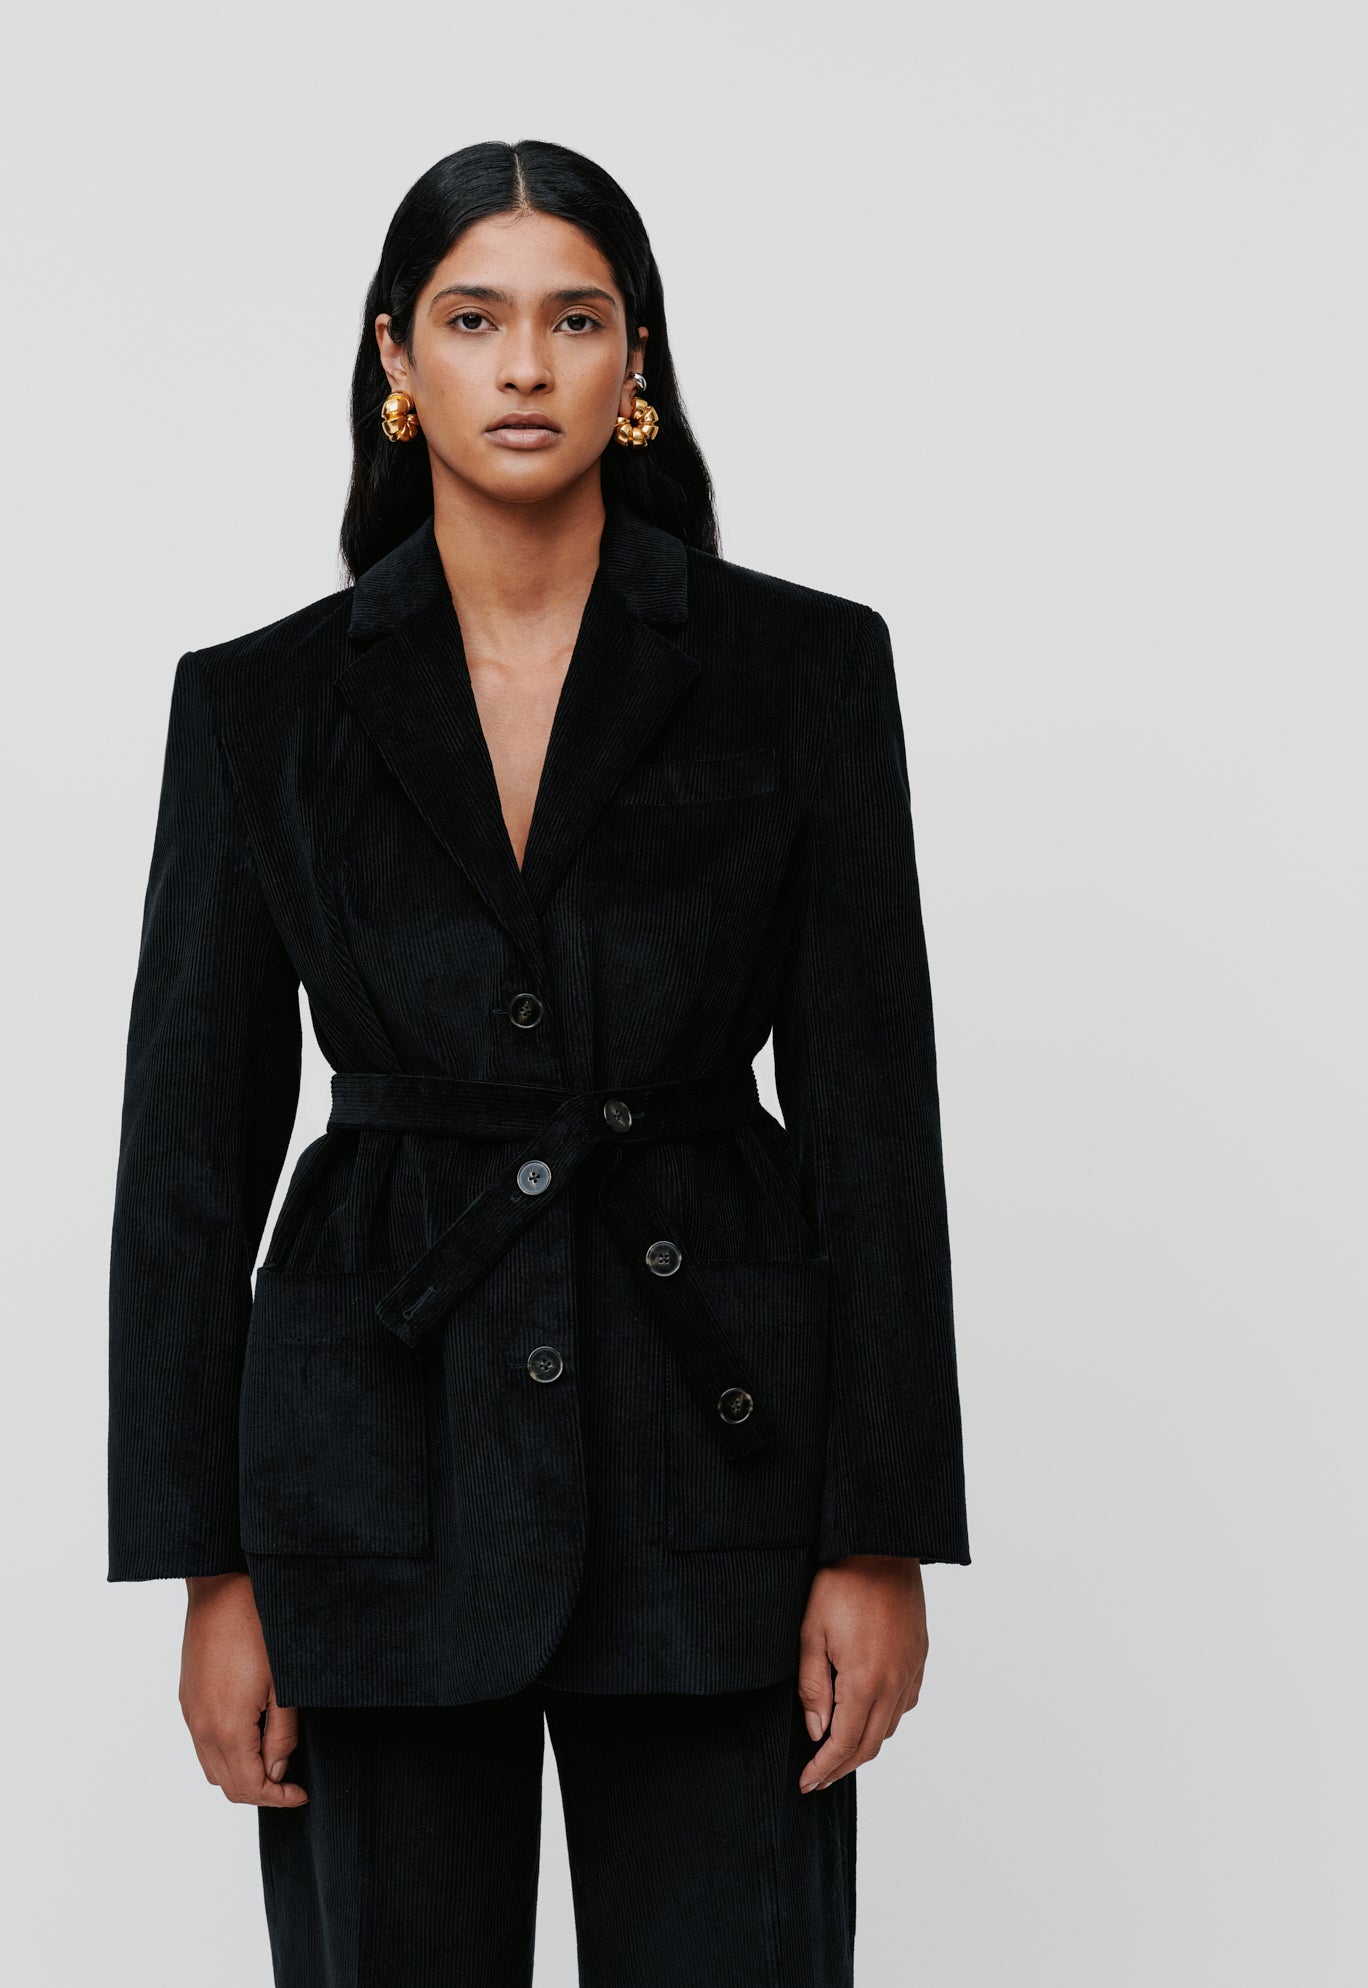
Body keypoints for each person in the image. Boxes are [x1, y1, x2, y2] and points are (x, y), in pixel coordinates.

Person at [107, 137, 969, 1987]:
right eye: (472, 319)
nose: (523, 365)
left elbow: (873, 1118)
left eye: (575, 320)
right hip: (366, 1466)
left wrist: (881, 1536)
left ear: (636, 362)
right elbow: (186, 1158)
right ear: (395, 359)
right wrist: (210, 1572)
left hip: (722, 1449)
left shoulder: (803, 672)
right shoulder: (259, 704)